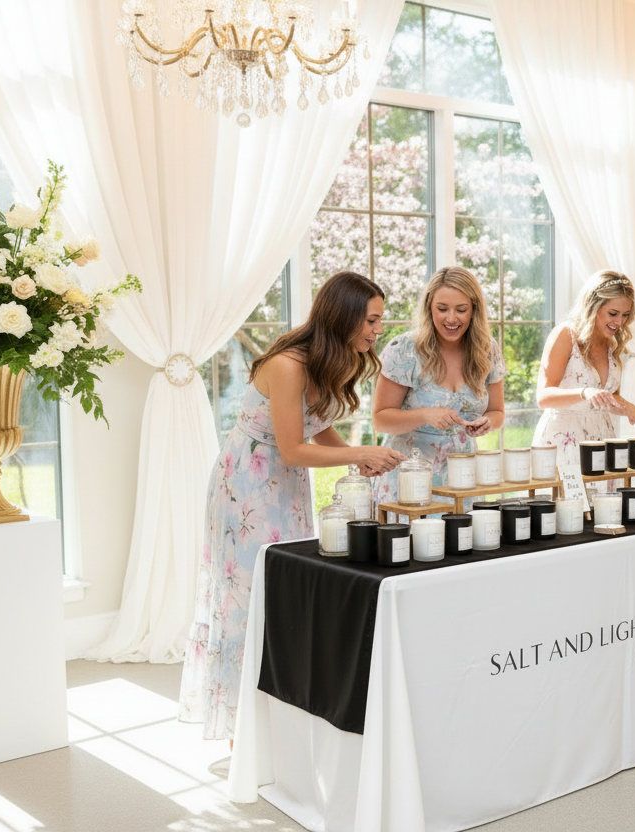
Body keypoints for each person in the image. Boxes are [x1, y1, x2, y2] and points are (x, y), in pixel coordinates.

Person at [180, 271, 405, 740]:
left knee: (284, 587)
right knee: (247, 592)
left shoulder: (333, 360)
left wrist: (355, 461)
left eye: (379, 322)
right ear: (343, 315)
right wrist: (359, 453)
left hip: (286, 483)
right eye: (371, 320)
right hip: (248, 482)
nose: (376, 331)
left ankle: (276, 711)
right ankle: (244, 724)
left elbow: (316, 424)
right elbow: (291, 448)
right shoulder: (287, 364)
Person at [371, 266, 506, 503]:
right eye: (442, 309)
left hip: (464, 475)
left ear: (474, 310)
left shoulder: (488, 350)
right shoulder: (403, 350)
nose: (451, 318)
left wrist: (488, 423)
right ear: (429, 308)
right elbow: (381, 419)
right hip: (409, 475)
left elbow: (497, 412)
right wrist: (424, 415)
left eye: (461, 310)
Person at [533, 270, 635, 466]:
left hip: (601, 440)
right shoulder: (565, 335)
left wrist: (629, 408)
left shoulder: (612, 343)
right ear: (592, 306)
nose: (619, 322)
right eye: (613, 313)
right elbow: (543, 397)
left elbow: (607, 396)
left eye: (625, 315)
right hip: (563, 442)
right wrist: (584, 392)